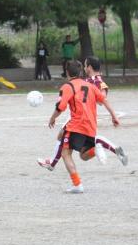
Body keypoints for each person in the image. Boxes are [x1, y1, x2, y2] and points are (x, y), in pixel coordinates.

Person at [39, 60, 120, 193]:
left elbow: (61, 107)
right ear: (81, 71)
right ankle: (96, 148)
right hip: (90, 126)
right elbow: (103, 100)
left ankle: (77, 184)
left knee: (65, 153)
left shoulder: (67, 86)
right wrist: (114, 116)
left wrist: (52, 118)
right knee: (83, 155)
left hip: (76, 125)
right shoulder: (89, 85)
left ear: (67, 72)